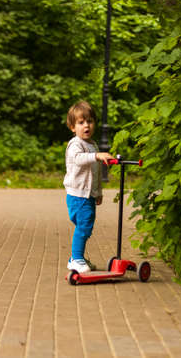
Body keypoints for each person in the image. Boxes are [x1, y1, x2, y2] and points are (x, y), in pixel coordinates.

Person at [64, 100, 114, 273]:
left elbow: (97, 173)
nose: (86, 125)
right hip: (77, 195)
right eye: (81, 122)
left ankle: (76, 257)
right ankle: (76, 258)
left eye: (90, 121)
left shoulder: (92, 145)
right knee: (84, 226)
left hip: (88, 195)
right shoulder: (75, 144)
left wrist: (98, 192)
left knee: (86, 227)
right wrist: (97, 155)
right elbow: (78, 159)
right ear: (73, 127)